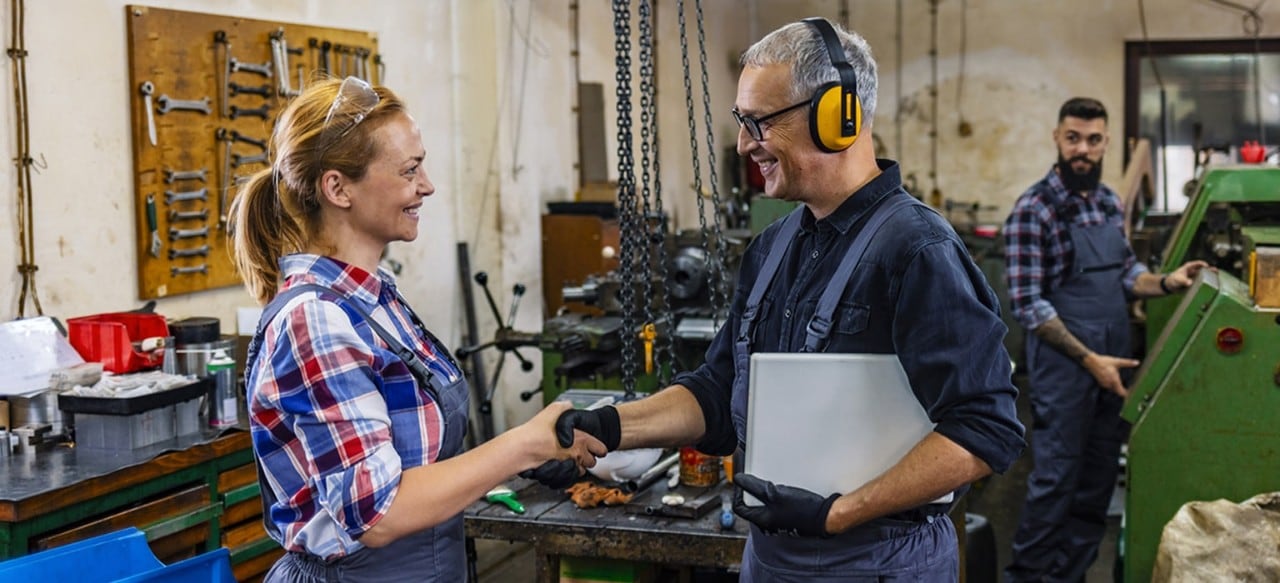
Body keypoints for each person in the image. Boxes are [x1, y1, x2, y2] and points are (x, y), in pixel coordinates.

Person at [526, 19, 1025, 580]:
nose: (743, 144)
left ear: (838, 116)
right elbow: (717, 394)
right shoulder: (774, 245)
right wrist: (607, 425)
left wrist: (838, 514)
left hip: (877, 560)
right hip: (770, 554)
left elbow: (984, 430)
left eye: (758, 122)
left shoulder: (917, 251)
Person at [229, 76, 605, 582]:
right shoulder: (314, 320)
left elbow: (409, 459)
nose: (426, 185)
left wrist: (520, 464)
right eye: (409, 171)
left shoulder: (377, 298)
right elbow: (376, 511)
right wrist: (522, 445)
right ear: (338, 188)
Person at [1002, 97, 1208, 582]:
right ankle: (1029, 577)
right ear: (1057, 138)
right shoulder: (1035, 209)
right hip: (1067, 368)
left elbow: (1125, 273)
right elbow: (1027, 303)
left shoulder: (1110, 202)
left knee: (1095, 486)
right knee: (1056, 483)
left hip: (1111, 366)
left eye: (1094, 140)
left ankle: (1068, 576)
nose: (1083, 150)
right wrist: (1089, 358)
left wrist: (1167, 281)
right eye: (1073, 138)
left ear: (1106, 143)